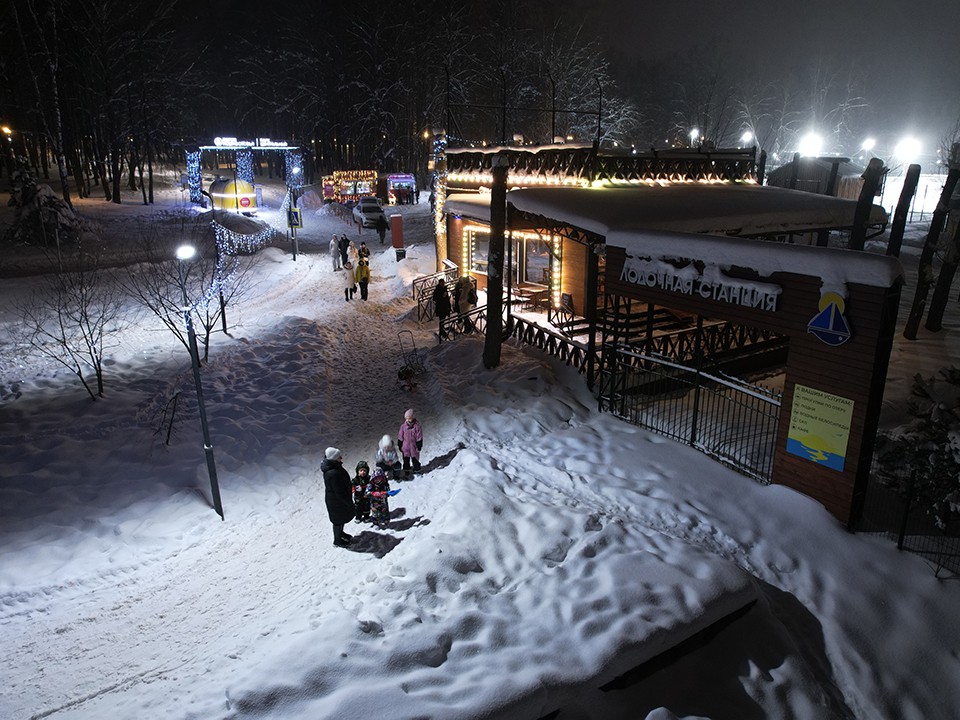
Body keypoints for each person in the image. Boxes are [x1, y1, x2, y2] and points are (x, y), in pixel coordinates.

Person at [321, 447, 354, 547]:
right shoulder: (333, 473)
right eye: (339, 457)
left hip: (337, 500)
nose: (341, 458)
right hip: (336, 502)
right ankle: (337, 540)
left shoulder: (333, 467)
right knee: (337, 521)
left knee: (340, 519)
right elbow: (339, 491)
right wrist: (348, 502)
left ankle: (340, 534)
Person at [397, 408, 423, 479]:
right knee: (406, 460)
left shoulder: (417, 426)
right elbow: (400, 435)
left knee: (415, 459)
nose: (408, 420)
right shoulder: (403, 427)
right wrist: (400, 443)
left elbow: (419, 436)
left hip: (414, 446)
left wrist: (419, 444)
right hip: (405, 447)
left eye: (409, 418)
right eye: (406, 418)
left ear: (413, 418)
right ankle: (406, 471)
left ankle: (417, 470)